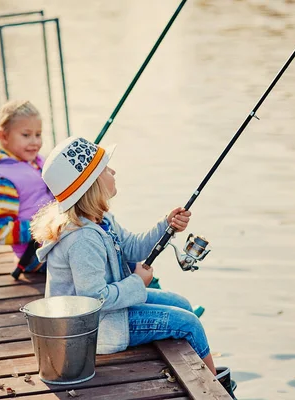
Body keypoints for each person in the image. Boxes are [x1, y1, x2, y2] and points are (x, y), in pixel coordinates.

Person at [31, 136, 236, 398]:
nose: (113, 171)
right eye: (106, 168)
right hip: (94, 333)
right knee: (189, 323)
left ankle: (209, 378)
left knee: (181, 303)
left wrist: (166, 225)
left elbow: (133, 247)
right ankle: (216, 393)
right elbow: (94, 300)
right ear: (91, 185)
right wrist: (137, 283)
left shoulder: (99, 220)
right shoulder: (82, 238)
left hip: (110, 315)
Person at [0, 100, 54, 277]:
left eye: (38, 134)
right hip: (38, 257)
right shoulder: (2, 180)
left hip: (52, 246)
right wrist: (43, 227)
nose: (35, 142)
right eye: (26, 135)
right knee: (114, 259)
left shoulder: (35, 162)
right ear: (4, 136)